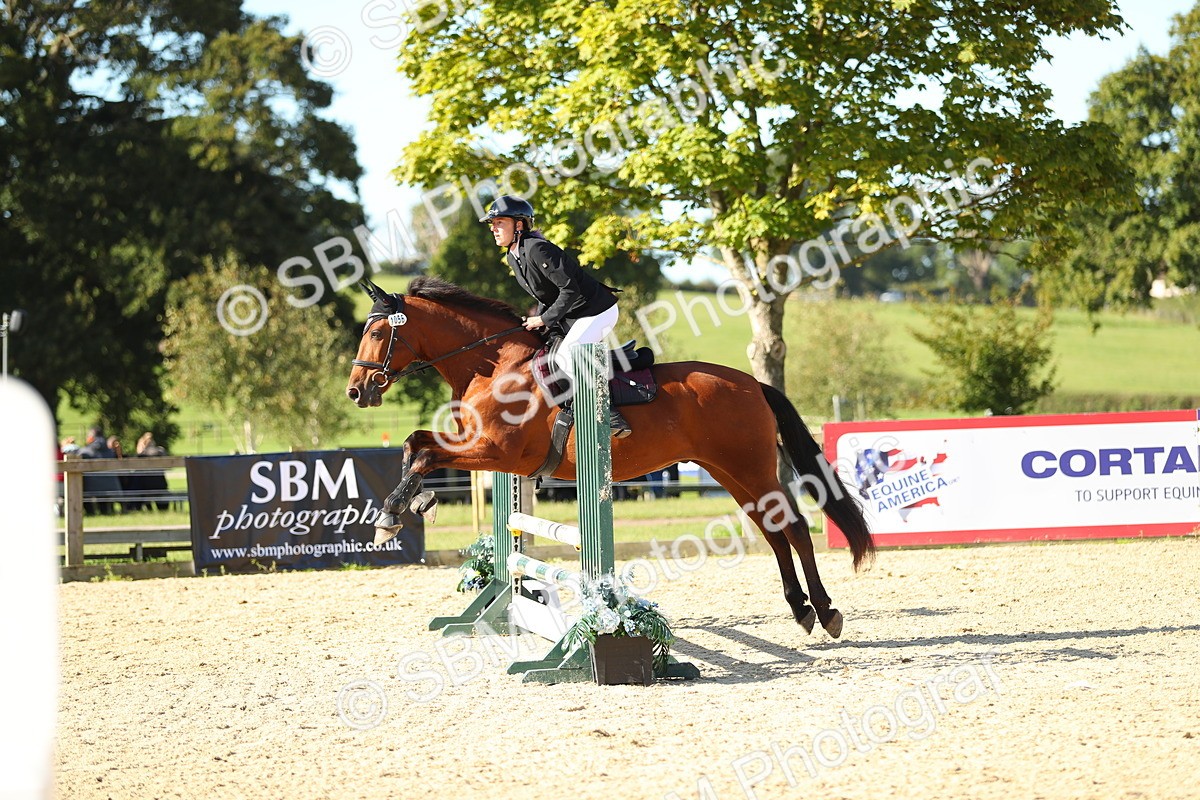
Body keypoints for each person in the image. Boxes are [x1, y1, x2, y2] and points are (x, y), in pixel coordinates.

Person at [479, 195, 631, 438]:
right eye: (492, 224)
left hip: (597, 311)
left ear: (519, 225)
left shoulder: (537, 248)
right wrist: (539, 320)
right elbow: (545, 296)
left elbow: (570, 289)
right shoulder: (513, 255)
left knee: (565, 356)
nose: (494, 229)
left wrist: (544, 319)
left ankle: (608, 415)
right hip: (572, 316)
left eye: (499, 223)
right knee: (543, 357)